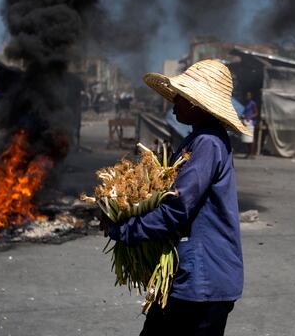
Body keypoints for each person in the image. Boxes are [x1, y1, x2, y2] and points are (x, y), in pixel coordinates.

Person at [104, 59, 252, 336]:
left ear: (197, 103)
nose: (174, 101)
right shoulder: (198, 140)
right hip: (194, 279)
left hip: (202, 282)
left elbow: (176, 208)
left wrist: (125, 229)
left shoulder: (207, 143)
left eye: (181, 96)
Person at [240, 91, 258, 157]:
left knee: (251, 138)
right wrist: (243, 117)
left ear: (251, 96)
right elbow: (244, 113)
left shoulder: (253, 103)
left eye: (249, 95)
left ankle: (252, 153)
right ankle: (248, 153)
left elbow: (256, 113)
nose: (247, 97)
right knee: (246, 138)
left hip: (251, 123)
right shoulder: (246, 104)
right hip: (246, 122)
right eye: (247, 95)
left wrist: (250, 117)